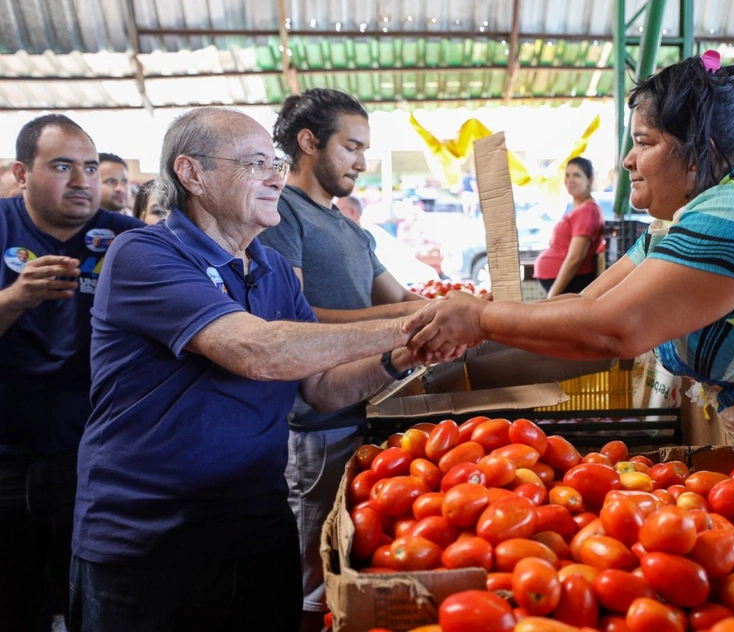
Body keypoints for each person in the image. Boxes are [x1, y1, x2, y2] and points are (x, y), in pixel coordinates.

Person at [406, 52, 734, 497]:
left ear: (701, 151)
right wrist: (443, 369)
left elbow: (613, 329)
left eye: (643, 142)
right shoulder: (677, 227)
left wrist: (479, 318)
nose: (626, 161)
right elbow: (574, 324)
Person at [68, 107, 454, 632]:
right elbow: (257, 352)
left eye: (273, 161)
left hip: (257, 528)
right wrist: (412, 324)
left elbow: (319, 388)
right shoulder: (143, 253)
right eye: (254, 164)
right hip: (151, 542)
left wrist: (400, 358)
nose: (276, 175)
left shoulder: (271, 269)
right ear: (192, 174)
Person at [261, 88, 428, 631]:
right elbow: (295, 317)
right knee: (314, 568)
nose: (361, 161)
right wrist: (399, 324)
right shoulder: (284, 214)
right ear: (309, 142)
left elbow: (399, 298)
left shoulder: (350, 228)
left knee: (340, 559)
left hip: (358, 408)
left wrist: (462, 311)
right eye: (351, 147)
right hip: (313, 423)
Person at [0, 114, 142, 631]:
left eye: (87, 166)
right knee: (13, 601)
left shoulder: (130, 239)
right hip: (8, 454)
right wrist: (16, 298)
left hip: (98, 459)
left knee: (95, 602)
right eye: (62, 166)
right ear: (21, 173)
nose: (81, 180)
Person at [533, 156, 605, 297]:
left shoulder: (587, 211)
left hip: (571, 284)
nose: (570, 180)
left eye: (576, 175)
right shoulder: (579, 209)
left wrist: (552, 294)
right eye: (567, 175)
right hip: (566, 284)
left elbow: (575, 258)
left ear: (589, 180)